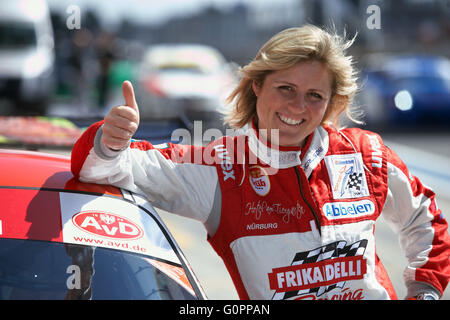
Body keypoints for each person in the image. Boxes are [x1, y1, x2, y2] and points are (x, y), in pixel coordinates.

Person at [71, 25, 450, 300]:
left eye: (314, 95)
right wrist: (111, 139)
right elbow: (102, 168)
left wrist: (425, 290)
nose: (298, 108)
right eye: (285, 89)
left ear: (332, 102)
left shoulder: (364, 153)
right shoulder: (218, 168)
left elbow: (426, 219)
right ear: (257, 86)